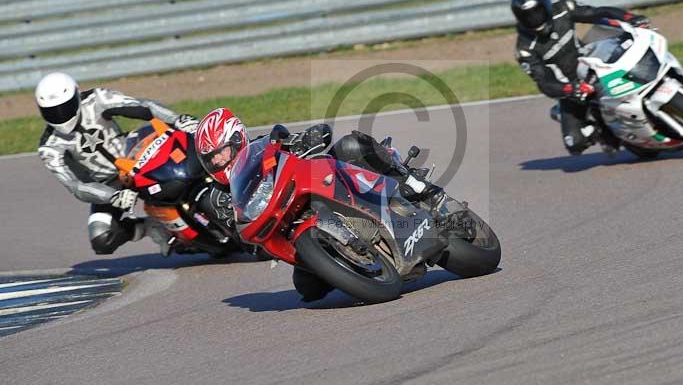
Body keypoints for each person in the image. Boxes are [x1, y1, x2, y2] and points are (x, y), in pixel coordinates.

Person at [194, 107, 443, 301]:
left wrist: (310, 138)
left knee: (350, 146)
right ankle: (365, 264)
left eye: (221, 151)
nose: (218, 160)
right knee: (308, 290)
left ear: (237, 138)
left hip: (325, 188)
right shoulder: (219, 197)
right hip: (290, 233)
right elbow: (242, 236)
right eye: (211, 158)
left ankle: (415, 185)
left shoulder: (267, 148)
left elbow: (312, 136)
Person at [35, 72, 199, 255]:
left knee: (184, 162)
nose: (60, 116)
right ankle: (151, 226)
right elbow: (76, 185)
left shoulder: (96, 99)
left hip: (136, 153)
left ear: (76, 96)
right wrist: (112, 196)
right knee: (101, 238)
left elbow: (143, 107)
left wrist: (176, 119)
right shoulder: (49, 147)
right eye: (52, 112)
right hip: (110, 184)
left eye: (65, 108)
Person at [511, 0, 651, 155]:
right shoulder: (525, 48)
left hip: (591, 63)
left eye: (537, 12)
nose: (534, 19)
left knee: (613, 31)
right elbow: (543, 81)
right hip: (571, 88)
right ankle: (601, 132)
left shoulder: (563, 9)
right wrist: (568, 89)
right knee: (574, 143)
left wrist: (630, 18)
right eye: (528, 17)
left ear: (546, 6)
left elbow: (598, 13)